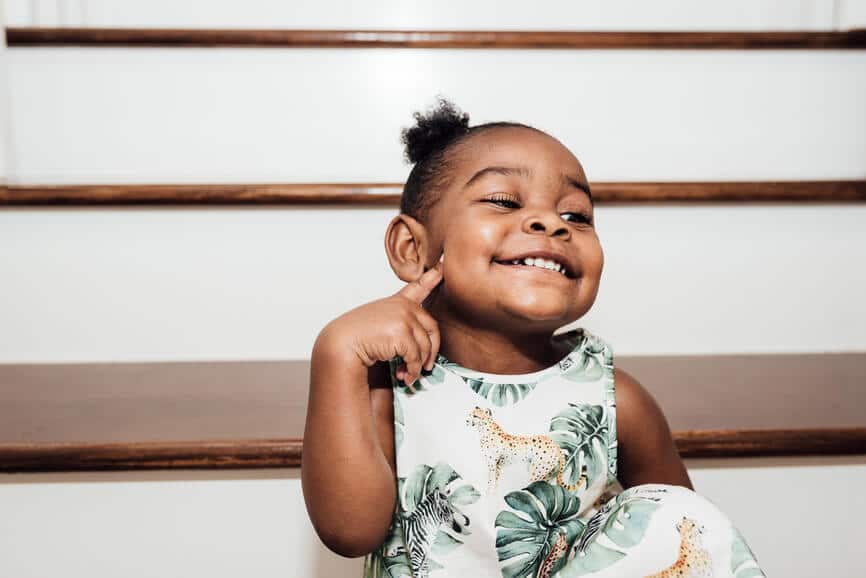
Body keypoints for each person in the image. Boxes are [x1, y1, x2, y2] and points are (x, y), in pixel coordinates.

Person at [302, 99, 765, 577]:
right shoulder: (389, 385)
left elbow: (686, 549)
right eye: (504, 201)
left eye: (577, 215)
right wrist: (336, 353)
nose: (551, 223)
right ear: (412, 248)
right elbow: (348, 532)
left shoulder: (616, 400)